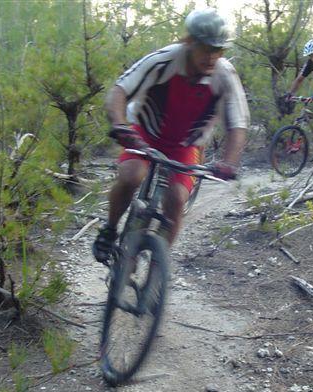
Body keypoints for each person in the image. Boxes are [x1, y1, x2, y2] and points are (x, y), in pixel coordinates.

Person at [93, 8, 250, 263]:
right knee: (132, 175)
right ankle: (109, 229)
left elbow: (238, 124)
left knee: (176, 199)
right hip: (144, 134)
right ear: (189, 42)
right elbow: (120, 91)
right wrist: (121, 126)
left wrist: (229, 162)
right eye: (206, 48)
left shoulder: (225, 75)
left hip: (184, 145)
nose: (213, 57)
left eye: (219, 50)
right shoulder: (164, 60)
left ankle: (158, 269)